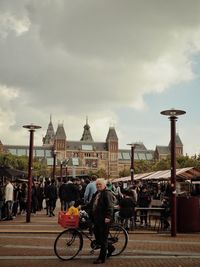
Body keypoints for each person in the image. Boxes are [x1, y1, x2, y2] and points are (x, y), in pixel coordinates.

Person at [90, 178, 115, 264]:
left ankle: (101, 258)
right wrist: (81, 207)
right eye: (97, 185)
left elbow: (110, 206)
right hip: (97, 219)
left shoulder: (107, 193)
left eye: (100, 184)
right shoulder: (97, 193)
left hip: (104, 219)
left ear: (104, 185)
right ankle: (111, 248)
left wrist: (108, 217)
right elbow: (91, 204)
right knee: (99, 239)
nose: (98, 186)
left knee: (103, 239)